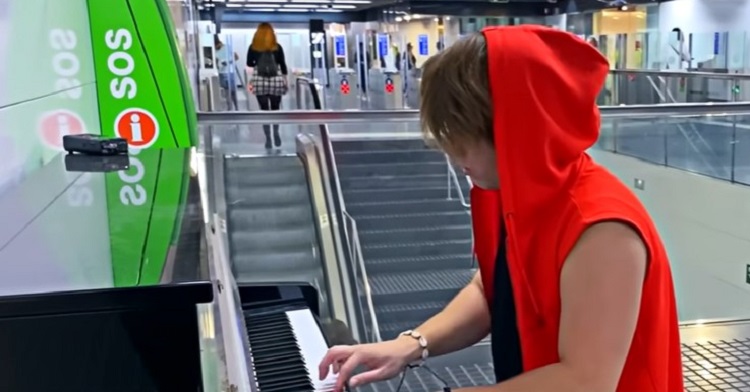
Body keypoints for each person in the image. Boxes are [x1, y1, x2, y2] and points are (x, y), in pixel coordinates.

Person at [318, 26, 683, 392]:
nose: (453, 154)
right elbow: (493, 287)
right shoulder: (519, 192)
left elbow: (585, 381)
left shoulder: (602, 227)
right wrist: (412, 344)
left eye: (463, 138)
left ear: (514, 128)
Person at [246, 22, 289, 149]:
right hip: (275, 80)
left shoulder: (253, 47)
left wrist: (257, 62)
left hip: (260, 80)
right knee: (276, 109)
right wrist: (285, 80)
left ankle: (268, 138)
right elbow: (283, 64)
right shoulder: (277, 47)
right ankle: (276, 132)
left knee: (264, 110)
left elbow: (249, 63)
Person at [214, 35, 239, 111]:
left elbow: (236, 57)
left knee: (233, 91)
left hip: (230, 72)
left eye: (216, 45)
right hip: (221, 73)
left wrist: (228, 61)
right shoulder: (214, 50)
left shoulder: (227, 47)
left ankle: (236, 108)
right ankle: (229, 108)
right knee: (227, 91)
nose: (216, 47)